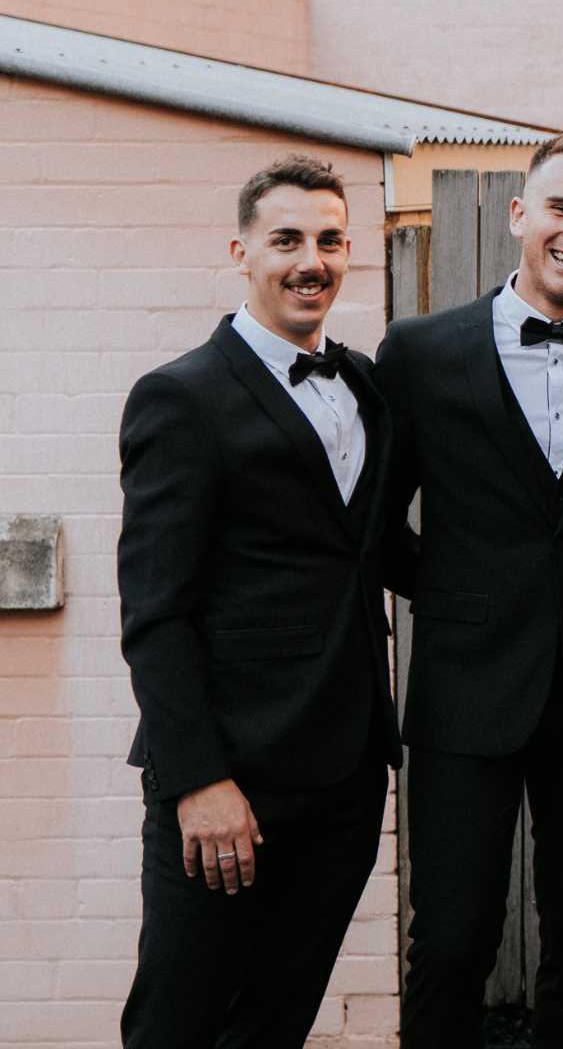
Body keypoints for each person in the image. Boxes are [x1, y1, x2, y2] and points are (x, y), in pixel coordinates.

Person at [378, 131, 563, 1049]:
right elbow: (376, 516)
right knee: (452, 934)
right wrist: (461, 592)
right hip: (467, 686)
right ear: (519, 216)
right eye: (559, 208)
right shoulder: (420, 351)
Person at [116, 154, 401, 1048]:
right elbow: (155, 612)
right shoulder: (181, 398)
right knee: (180, 1023)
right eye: (286, 240)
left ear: (349, 250)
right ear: (242, 250)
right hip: (229, 782)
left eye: (327, 240)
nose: (308, 260)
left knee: (275, 1023)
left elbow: (373, 552)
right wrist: (199, 780)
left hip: (347, 773)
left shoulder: (365, 387)